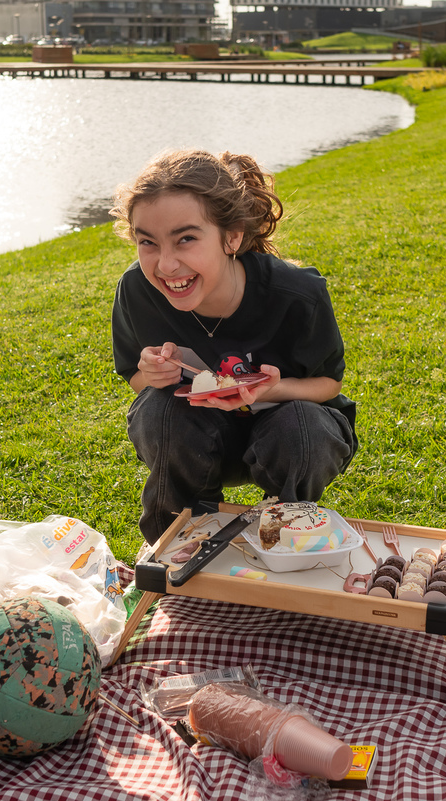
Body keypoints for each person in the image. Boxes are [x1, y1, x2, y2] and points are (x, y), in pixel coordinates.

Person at [110, 150, 358, 544]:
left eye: (186, 239)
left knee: (301, 426)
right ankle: (176, 544)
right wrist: (153, 374)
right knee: (158, 410)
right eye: (148, 243)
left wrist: (274, 389)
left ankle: (289, 534)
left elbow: (328, 384)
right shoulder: (138, 291)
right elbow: (137, 381)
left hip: (288, 437)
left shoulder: (298, 295)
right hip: (196, 437)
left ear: (232, 236)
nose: (167, 265)